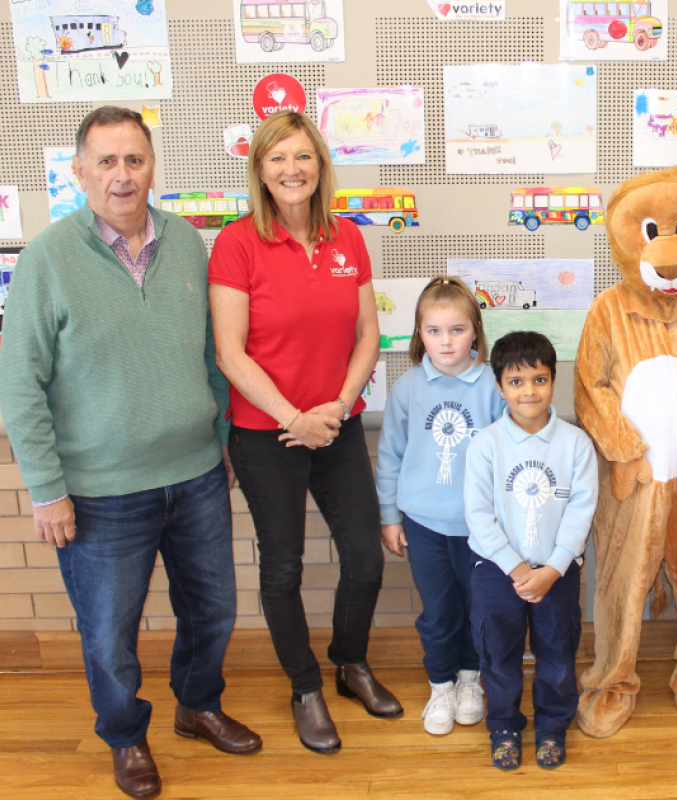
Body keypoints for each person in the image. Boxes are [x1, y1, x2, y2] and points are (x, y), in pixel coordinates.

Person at [0, 106, 260, 798]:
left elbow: (210, 357)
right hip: (98, 493)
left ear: (152, 168)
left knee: (214, 612)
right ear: (80, 171)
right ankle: (125, 736)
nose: (123, 175)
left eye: (135, 160)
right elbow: (18, 384)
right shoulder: (47, 260)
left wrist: (223, 441)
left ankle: (198, 705)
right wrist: (48, 490)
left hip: (198, 475)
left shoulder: (187, 243)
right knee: (109, 636)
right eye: (107, 161)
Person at [208, 110, 397, 755]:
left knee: (365, 559)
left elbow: (369, 334)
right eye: (277, 158)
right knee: (282, 568)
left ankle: (350, 664)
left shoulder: (348, 236)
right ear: (260, 170)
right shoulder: (236, 243)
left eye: (303, 157)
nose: (292, 169)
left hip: (336, 423)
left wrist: (339, 408)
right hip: (268, 433)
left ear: (320, 165)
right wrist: (295, 418)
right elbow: (231, 353)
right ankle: (305, 686)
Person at [376, 276, 507, 735]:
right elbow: (390, 454)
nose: (446, 341)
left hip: (480, 528)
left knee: (479, 608)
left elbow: (508, 456)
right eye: (434, 331)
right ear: (419, 334)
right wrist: (390, 516)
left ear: (475, 331)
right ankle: (441, 685)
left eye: (457, 330)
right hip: (424, 523)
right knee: (438, 610)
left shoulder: (494, 386)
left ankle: (471, 680)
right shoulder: (408, 388)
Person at [464, 332, 599, 770]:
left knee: (557, 655)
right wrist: (517, 568)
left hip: (556, 574)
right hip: (496, 573)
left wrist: (553, 568)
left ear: (553, 381)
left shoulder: (576, 443)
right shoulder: (485, 443)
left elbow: (581, 513)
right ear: (499, 387)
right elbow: (478, 515)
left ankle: (552, 728)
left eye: (539, 379)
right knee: (498, 655)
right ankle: (504, 727)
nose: (529, 391)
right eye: (517, 381)